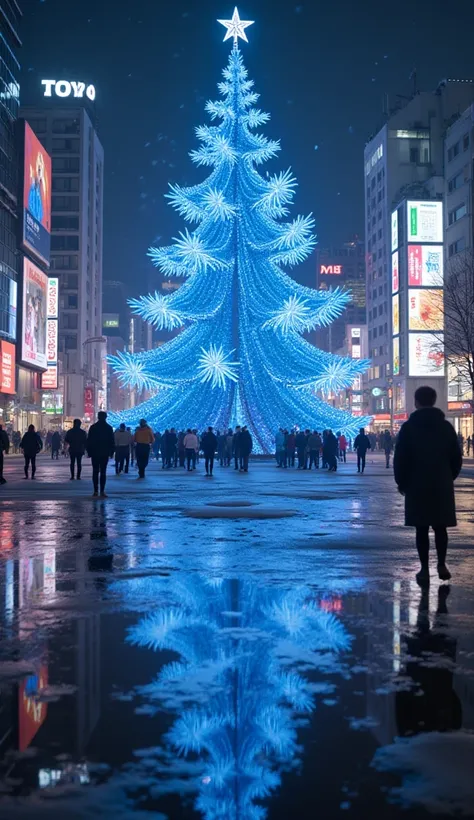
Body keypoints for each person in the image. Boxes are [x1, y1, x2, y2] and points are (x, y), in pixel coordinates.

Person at [394, 385, 462, 586]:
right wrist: (448, 477)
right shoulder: (446, 427)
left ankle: (424, 569)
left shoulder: (408, 427)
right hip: (441, 483)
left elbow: (401, 458)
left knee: (421, 528)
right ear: (434, 400)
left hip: (416, 483)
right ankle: (441, 563)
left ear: (416, 402)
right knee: (440, 527)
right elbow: (456, 458)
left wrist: (402, 481)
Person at [86, 411, 115, 497]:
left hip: (95, 452)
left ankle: (95, 491)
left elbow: (89, 441)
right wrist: (111, 452)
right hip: (104, 453)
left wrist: (89, 451)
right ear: (106, 417)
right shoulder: (109, 428)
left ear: (98, 417)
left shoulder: (93, 427)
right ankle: (102, 491)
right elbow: (111, 441)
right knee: (103, 472)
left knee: (95, 471)